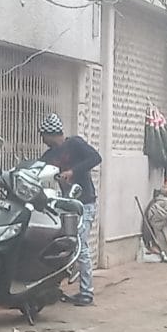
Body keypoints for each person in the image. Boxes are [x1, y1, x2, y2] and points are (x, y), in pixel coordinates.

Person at [38, 113, 103, 305]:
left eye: (43, 135)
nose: (42, 140)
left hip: (84, 204)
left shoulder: (75, 144)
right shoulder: (49, 155)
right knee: (59, 245)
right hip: (64, 205)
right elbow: (37, 169)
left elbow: (96, 158)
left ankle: (87, 292)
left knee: (80, 246)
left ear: (51, 134)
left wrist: (72, 171)